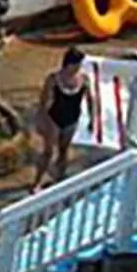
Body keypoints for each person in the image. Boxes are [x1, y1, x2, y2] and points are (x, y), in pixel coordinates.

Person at [32, 47, 98, 192]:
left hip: (72, 119)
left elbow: (90, 100)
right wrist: (42, 119)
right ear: (68, 64)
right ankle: (37, 182)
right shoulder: (54, 79)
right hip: (54, 118)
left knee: (64, 150)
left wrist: (93, 119)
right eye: (76, 64)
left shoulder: (84, 80)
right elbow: (43, 102)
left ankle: (59, 179)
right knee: (48, 152)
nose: (78, 67)